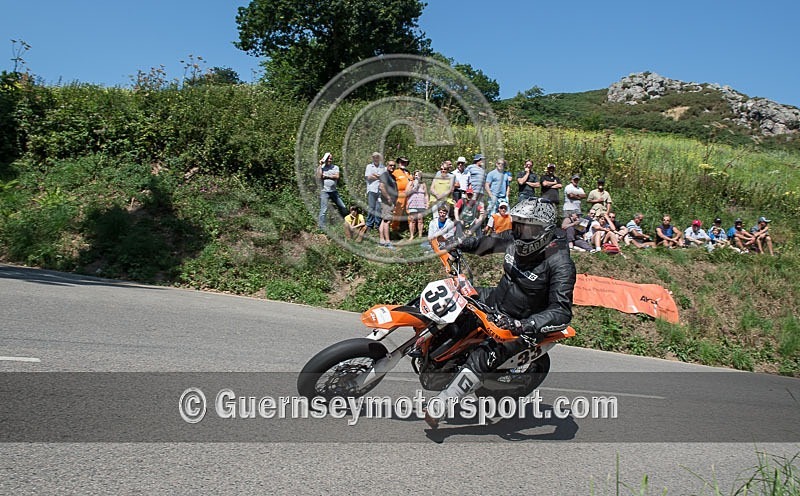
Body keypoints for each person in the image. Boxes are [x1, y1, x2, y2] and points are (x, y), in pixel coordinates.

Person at [424, 198, 576, 428]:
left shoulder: (560, 263)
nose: (519, 231)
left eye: (527, 227)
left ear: (543, 231)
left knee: (483, 355)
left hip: (519, 323)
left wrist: (526, 325)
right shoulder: (516, 238)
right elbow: (488, 242)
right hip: (495, 299)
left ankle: (443, 404)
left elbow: (561, 310)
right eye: (517, 225)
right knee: (450, 301)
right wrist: (460, 244)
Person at [317, 152, 348, 229]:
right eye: (328, 158)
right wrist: (320, 165)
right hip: (325, 191)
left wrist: (326, 176)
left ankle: (346, 223)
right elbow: (319, 176)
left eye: (331, 158)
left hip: (334, 191)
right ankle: (321, 227)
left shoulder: (335, 167)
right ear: (325, 159)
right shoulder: (322, 167)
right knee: (323, 210)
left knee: (342, 206)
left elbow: (337, 176)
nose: (330, 160)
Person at [378, 160, 399, 249]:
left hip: (391, 201)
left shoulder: (392, 176)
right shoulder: (385, 175)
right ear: (387, 165)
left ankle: (381, 240)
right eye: (390, 165)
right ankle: (387, 241)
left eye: (394, 166)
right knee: (387, 221)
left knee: (384, 220)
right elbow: (381, 187)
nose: (392, 167)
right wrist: (388, 198)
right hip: (387, 202)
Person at [405, 170, 429, 241]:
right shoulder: (411, 182)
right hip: (412, 203)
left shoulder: (423, 184)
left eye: (418, 175)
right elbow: (406, 193)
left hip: (421, 204)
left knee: (420, 220)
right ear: (413, 176)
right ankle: (412, 235)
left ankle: (420, 235)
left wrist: (427, 203)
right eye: (416, 175)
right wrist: (412, 187)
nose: (417, 176)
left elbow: (426, 195)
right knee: (412, 220)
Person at [364, 152, 385, 231]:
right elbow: (368, 177)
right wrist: (379, 176)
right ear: (372, 158)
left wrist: (375, 175)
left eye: (377, 157)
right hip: (372, 189)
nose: (376, 158)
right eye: (374, 157)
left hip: (380, 190)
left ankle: (377, 225)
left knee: (378, 208)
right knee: (371, 207)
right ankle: (369, 224)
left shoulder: (383, 167)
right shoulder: (369, 166)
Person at [392, 157, 413, 232]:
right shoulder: (395, 172)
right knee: (398, 212)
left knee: (410, 212)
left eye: (405, 162)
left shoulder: (408, 172)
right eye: (402, 162)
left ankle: (411, 230)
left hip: (410, 195)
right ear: (399, 163)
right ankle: (394, 229)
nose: (403, 163)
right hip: (400, 194)